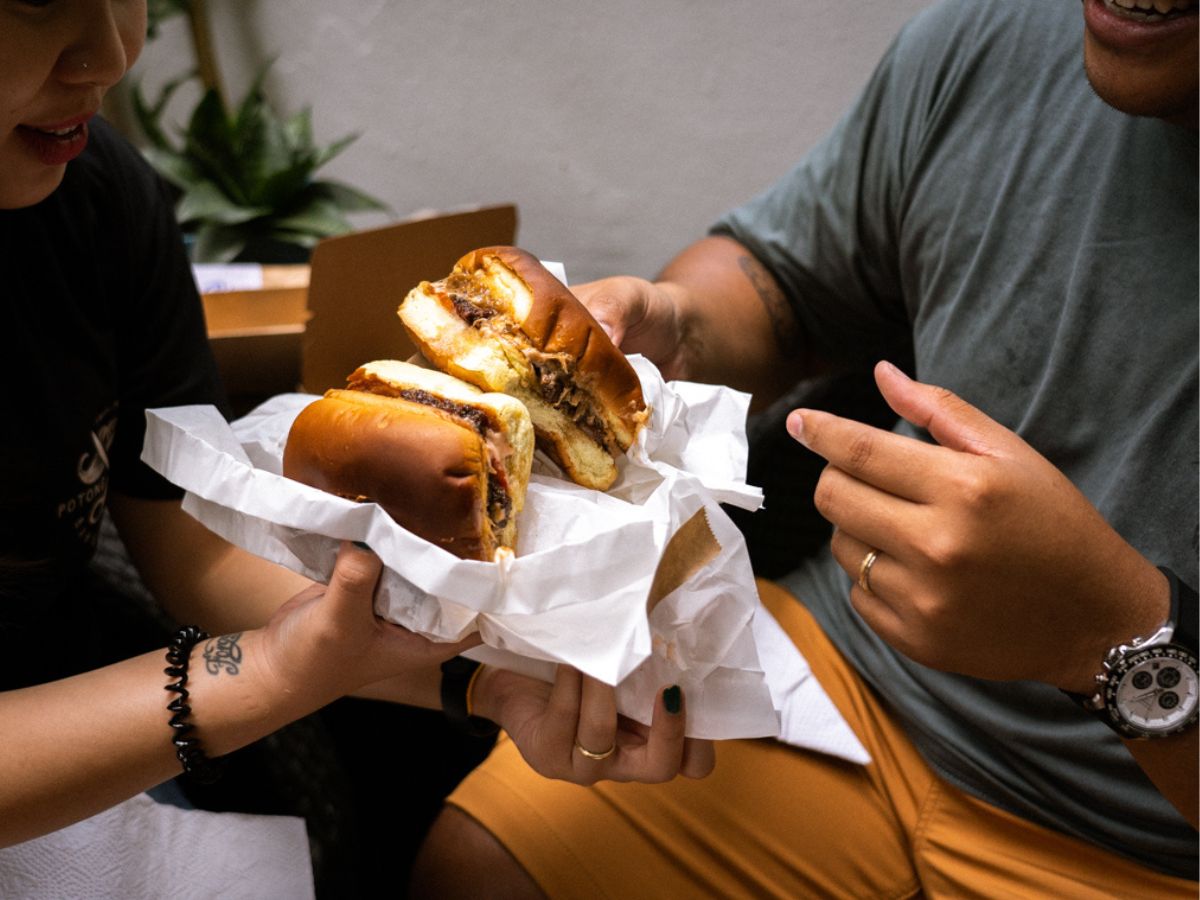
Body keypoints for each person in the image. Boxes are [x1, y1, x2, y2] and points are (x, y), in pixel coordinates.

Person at [410, 0, 1199, 896]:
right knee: (480, 870)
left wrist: (1113, 638)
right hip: (849, 682)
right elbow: (784, 283)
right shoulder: (995, 39)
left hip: (1150, 842)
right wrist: (678, 325)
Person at [0, 1, 709, 894]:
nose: (107, 55)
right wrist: (262, 676)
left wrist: (484, 676)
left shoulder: (98, 198)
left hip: (102, 738)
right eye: (35, 2)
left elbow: (187, 545)